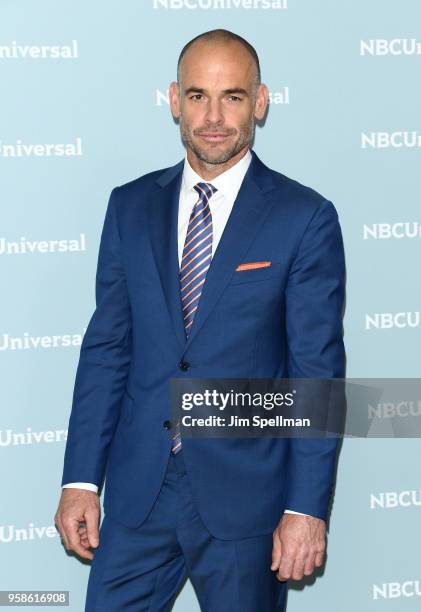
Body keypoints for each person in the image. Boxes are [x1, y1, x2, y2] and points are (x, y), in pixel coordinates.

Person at [54, 28, 346, 612]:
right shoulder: (129, 207)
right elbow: (107, 350)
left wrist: (306, 509)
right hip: (139, 494)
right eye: (197, 96)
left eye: (233, 97)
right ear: (173, 100)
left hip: (247, 503)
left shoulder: (304, 217)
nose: (214, 117)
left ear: (260, 101)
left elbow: (316, 376)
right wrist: (80, 481)